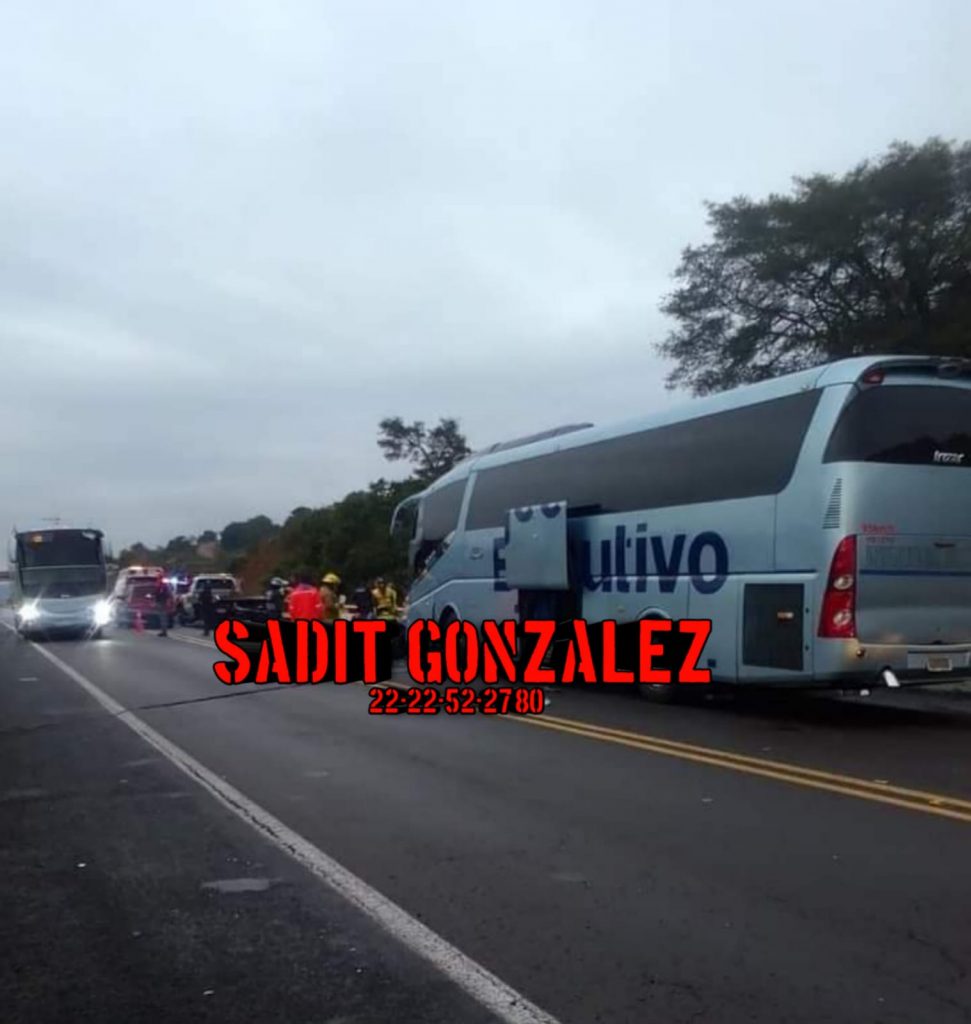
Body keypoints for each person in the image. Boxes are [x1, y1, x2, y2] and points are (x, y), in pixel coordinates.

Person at [153, 570, 173, 637]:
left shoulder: (162, 583)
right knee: (163, 617)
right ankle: (163, 631)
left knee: (163, 617)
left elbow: (161, 592)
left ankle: (164, 631)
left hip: (162, 601)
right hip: (162, 601)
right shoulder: (161, 582)